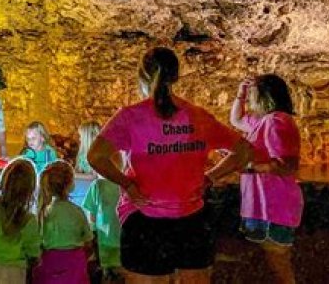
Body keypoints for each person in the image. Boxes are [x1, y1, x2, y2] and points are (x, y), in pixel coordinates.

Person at [88, 46, 253, 284]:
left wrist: (128, 185)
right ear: (175, 77)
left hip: (145, 219)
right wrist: (211, 177)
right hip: (192, 219)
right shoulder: (198, 116)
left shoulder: (131, 117)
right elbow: (244, 150)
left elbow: (95, 156)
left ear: (142, 77)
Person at [229, 75, 303, 284]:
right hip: (263, 208)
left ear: (264, 96)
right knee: (271, 266)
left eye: (252, 94)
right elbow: (236, 120)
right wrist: (240, 94)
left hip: (273, 208)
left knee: (279, 267)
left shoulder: (276, 121)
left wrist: (248, 167)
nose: (249, 99)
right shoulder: (263, 121)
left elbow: (287, 165)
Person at [33, 161, 93, 284]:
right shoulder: (77, 211)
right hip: (74, 266)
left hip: (48, 264)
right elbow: (88, 241)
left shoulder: (43, 212)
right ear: (70, 184)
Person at [82, 152, 123, 283]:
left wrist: (93, 232)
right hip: (123, 238)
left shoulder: (97, 185)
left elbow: (92, 216)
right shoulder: (125, 185)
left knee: (106, 273)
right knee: (121, 273)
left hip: (104, 239)